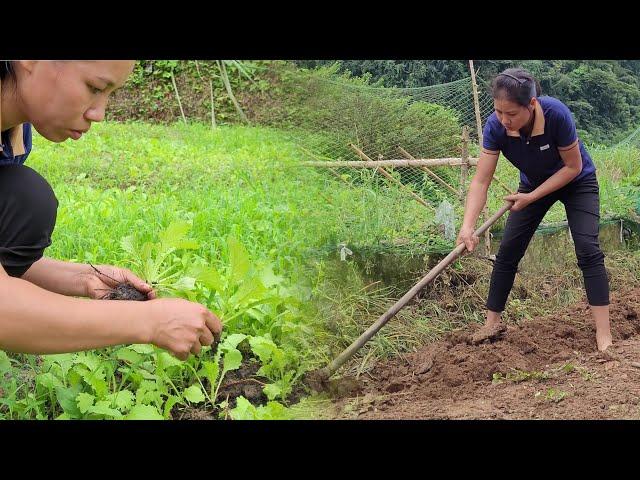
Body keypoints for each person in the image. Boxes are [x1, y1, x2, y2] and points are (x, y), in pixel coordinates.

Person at [0, 60, 222, 360]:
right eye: (93, 88)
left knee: (24, 198)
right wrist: (149, 322)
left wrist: (82, 278)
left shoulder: (13, 134)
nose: (99, 114)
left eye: (110, 94)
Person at [456, 67, 611, 351]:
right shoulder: (495, 127)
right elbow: (481, 180)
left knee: (588, 249)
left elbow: (573, 167)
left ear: (532, 105)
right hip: (532, 186)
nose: (504, 120)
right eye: (499, 112)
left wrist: (533, 196)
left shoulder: (556, 115)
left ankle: (604, 334)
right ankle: (491, 325)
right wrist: (467, 225)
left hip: (576, 181)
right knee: (507, 253)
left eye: (512, 114)